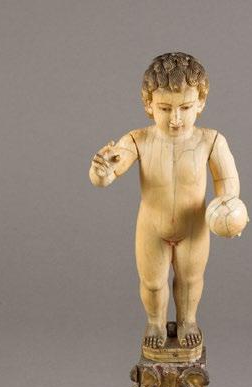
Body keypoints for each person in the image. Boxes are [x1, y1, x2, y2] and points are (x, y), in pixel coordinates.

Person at [89, 53, 243, 350]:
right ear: (148, 105)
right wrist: (101, 170)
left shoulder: (211, 141)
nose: (175, 119)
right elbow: (108, 173)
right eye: (164, 108)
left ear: (201, 103)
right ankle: (155, 322)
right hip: (152, 226)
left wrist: (228, 206)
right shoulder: (138, 140)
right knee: (152, 283)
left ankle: (187, 320)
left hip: (193, 227)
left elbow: (227, 182)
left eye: (185, 107)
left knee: (190, 279)